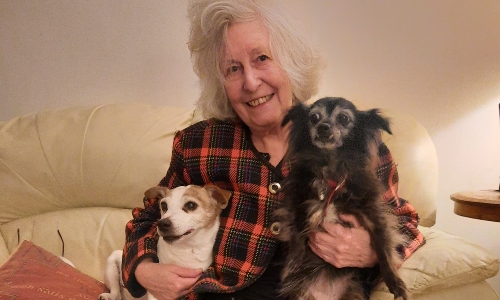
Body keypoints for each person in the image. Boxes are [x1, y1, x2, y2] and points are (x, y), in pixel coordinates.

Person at [122, 1, 425, 299]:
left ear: (290, 62)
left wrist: (373, 251)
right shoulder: (200, 144)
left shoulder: (353, 141)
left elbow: (406, 222)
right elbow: (148, 218)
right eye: (233, 69)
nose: (251, 82)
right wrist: (143, 269)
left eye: (262, 58)